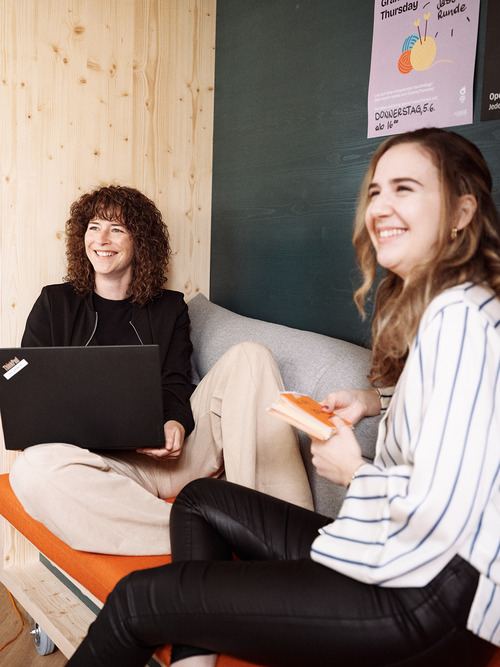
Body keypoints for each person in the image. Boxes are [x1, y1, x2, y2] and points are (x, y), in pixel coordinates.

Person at [66, 128, 500, 667]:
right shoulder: (448, 307)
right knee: (200, 499)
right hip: (390, 555)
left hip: (421, 596)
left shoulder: (462, 320)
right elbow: (457, 423)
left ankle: (187, 615)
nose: (381, 207)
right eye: (375, 191)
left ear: (462, 211)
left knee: (137, 600)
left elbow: (451, 513)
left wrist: (353, 471)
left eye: (405, 189)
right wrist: (375, 401)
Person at [9, 185, 313, 556]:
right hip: (99, 468)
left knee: (252, 356)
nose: (102, 240)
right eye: (94, 227)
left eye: (117, 229)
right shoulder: (54, 303)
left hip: (172, 462)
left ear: (140, 241)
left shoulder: (169, 308)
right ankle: (209, 530)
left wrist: (176, 424)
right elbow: (31, 396)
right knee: (30, 469)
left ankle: (292, 537)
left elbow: (175, 382)